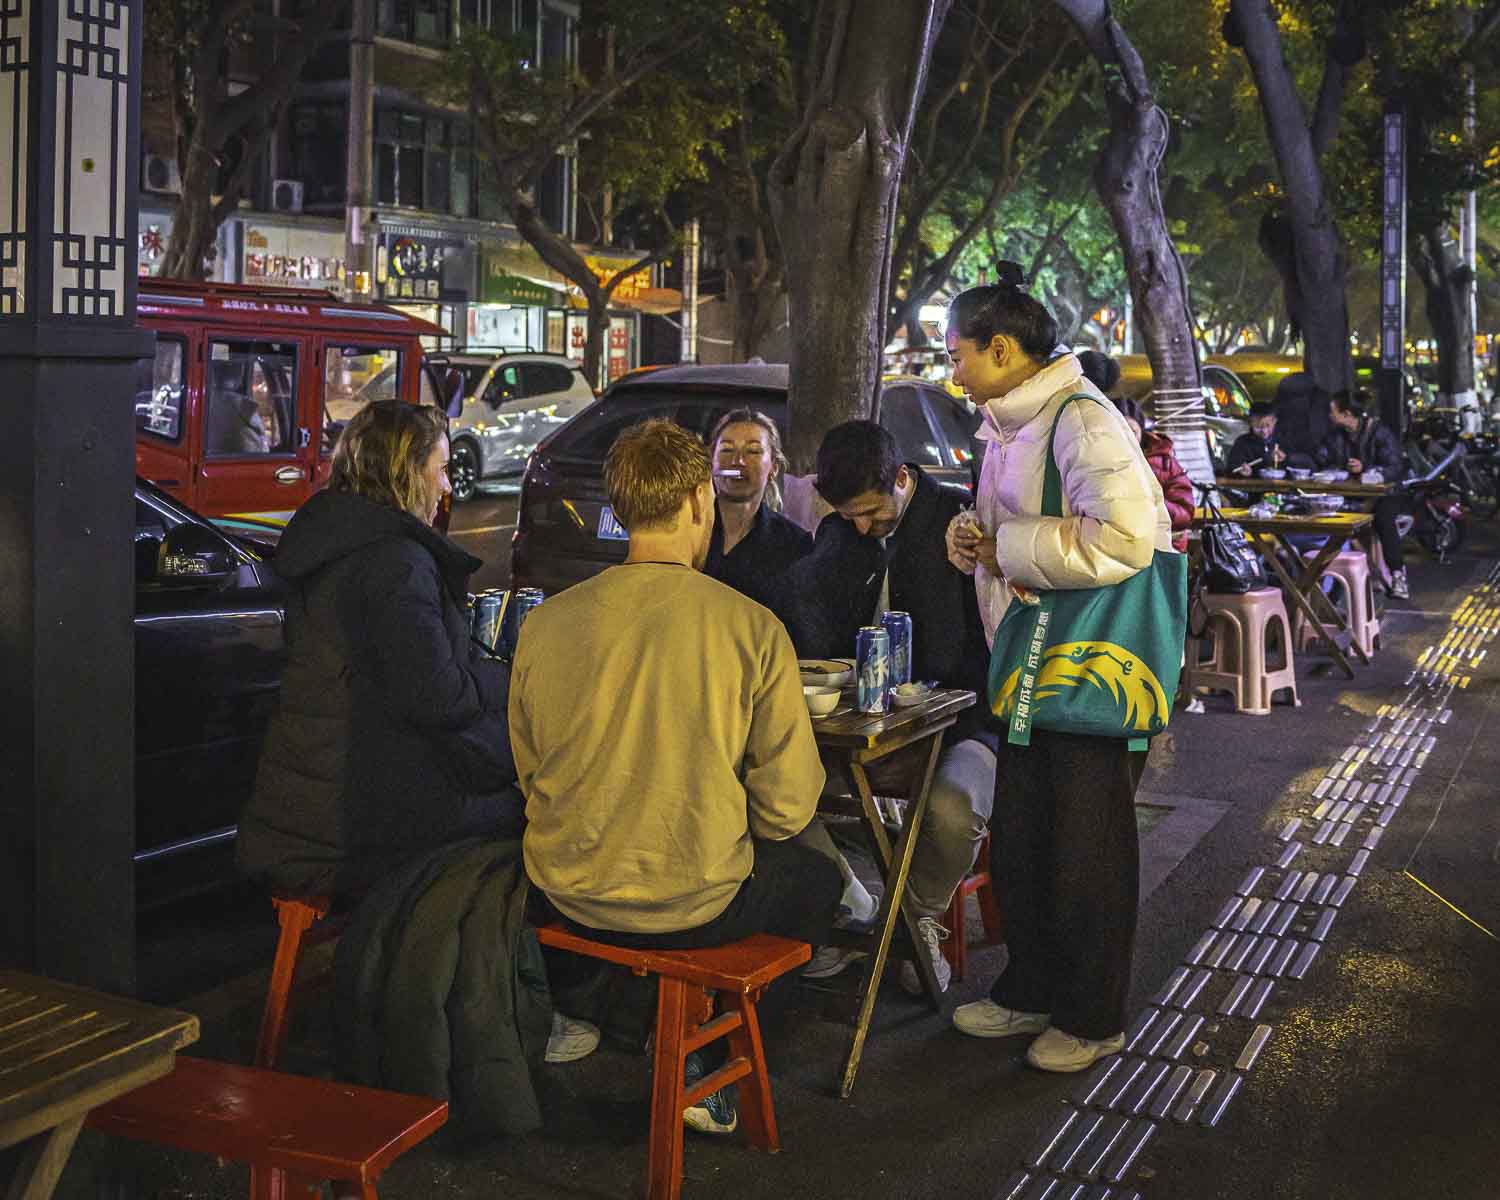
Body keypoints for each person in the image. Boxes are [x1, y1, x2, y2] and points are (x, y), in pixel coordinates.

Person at [237, 399, 595, 1123]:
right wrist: (512, 689)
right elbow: (437, 694)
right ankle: (507, 1012)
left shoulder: (335, 544)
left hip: (309, 801)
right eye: (439, 468)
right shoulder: (393, 561)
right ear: (407, 473)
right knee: (536, 819)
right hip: (350, 818)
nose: (447, 485)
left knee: (505, 792)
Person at [510, 417, 842, 1134]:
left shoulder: (545, 623)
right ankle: (710, 1065)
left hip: (564, 887)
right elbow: (787, 808)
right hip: (692, 902)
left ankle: (592, 1012)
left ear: (621, 506)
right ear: (698, 499)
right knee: (817, 881)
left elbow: (530, 773)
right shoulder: (750, 626)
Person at [944, 262, 1176, 1074]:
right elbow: (1010, 528)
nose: (953, 372)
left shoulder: (1083, 421)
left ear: (1001, 350)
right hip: (1028, 668)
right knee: (1024, 843)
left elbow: (1125, 539)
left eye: (959, 354)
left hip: (1089, 674)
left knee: (1086, 854)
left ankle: (1091, 1016)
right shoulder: (1009, 425)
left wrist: (1006, 548)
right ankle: (1030, 990)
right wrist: (969, 538)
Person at [784, 420, 998, 996]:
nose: (861, 525)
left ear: (901, 478)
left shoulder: (958, 523)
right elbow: (810, 612)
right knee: (774, 787)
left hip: (962, 721)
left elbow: (980, 644)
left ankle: (914, 920)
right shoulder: (840, 533)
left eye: (871, 512)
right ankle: (848, 902)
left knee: (953, 807)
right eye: (848, 514)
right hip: (861, 726)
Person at [705, 408, 812, 616]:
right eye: (727, 450)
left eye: (753, 451)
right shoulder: (686, 529)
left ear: (773, 467)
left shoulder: (795, 544)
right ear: (712, 461)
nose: (737, 461)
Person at [1320, 389, 1409, 599]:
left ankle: (1398, 576)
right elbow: (1322, 457)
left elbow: (1395, 466)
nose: (1330, 415)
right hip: (1350, 494)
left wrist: (1366, 469)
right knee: (1329, 517)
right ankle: (1334, 585)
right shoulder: (1337, 434)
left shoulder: (1380, 433)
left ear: (1347, 414)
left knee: (1384, 520)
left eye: (1333, 411)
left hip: (1383, 495)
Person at [1115, 396, 1193, 552]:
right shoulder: (1096, 462)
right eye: (1119, 431)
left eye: (1132, 431)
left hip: (1161, 548)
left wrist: (1150, 504)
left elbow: (1184, 513)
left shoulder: (1165, 462)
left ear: (1142, 431)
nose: (1127, 437)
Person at [1226, 401, 1287, 476]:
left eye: (1268, 425)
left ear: (1274, 421)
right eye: (1258, 427)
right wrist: (1241, 470)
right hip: (1250, 482)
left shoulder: (1282, 441)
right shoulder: (1242, 442)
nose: (1264, 431)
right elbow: (1231, 468)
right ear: (1250, 423)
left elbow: (1294, 464)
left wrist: (1285, 458)